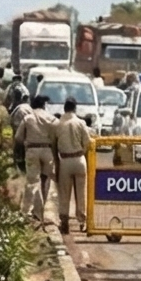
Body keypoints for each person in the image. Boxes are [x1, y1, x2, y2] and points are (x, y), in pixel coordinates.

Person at [51, 98, 93, 235]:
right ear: (75, 108)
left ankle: (64, 222)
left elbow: (54, 145)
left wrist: (56, 162)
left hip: (65, 160)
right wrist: (82, 152)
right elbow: (87, 142)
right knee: (81, 192)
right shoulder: (80, 123)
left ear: (64, 108)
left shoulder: (57, 124)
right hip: (79, 158)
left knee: (64, 193)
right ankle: (82, 222)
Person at [22, 97, 62, 224]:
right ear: (44, 105)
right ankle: (41, 209)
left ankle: (31, 211)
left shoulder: (28, 118)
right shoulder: (51, 119)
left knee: (33, 181)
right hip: (47, 150)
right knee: (45, 180)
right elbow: (57, 134)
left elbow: (18, 137)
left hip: (32, 150)